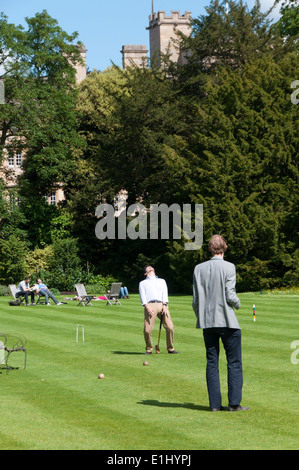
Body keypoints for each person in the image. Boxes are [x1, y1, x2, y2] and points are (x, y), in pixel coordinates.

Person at [192, 235, 249, 412]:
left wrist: (201, 317)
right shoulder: (229, 267)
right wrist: (239, 304)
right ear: (224, 248)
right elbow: (230, 295)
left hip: (208, 323)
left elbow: (195, 300)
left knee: (212, 362)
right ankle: (234, 403)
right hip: (227, 321)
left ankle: (215, 405)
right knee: (234, 362)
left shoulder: (198, 268)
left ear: (210, 248)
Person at [139, 265, 178, 355]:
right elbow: (143, 297)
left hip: (162, 305)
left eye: (151, 268)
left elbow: (165, 293)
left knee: (170, 327)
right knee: (147, 330)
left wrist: (165, 305)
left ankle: (170, 348)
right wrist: (147, 307)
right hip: (150, 305)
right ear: (146, 273)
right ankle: (149, 349)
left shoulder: (161, 281)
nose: (150, 268)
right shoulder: (142, 283)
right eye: (148, 268)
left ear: (154, 271)